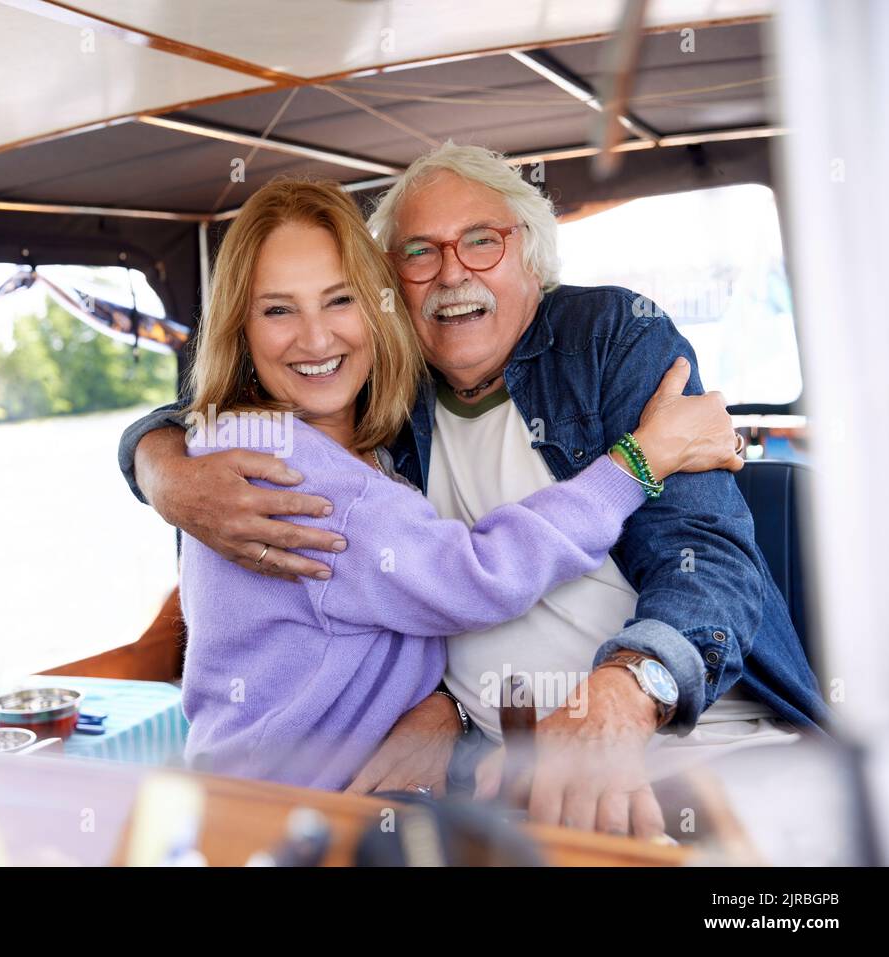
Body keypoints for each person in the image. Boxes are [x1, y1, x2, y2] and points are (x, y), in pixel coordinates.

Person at [121, 144, 827, 836]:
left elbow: (709, 559)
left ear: (531, 256)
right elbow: (466, 572)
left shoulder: (607, 337)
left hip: (692, 731)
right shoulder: (375, 407)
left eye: (481, 241)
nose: (453, 272)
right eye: (420, 251)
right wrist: (160, 467)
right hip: (488, 777)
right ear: (392, 286)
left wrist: (629, 690)